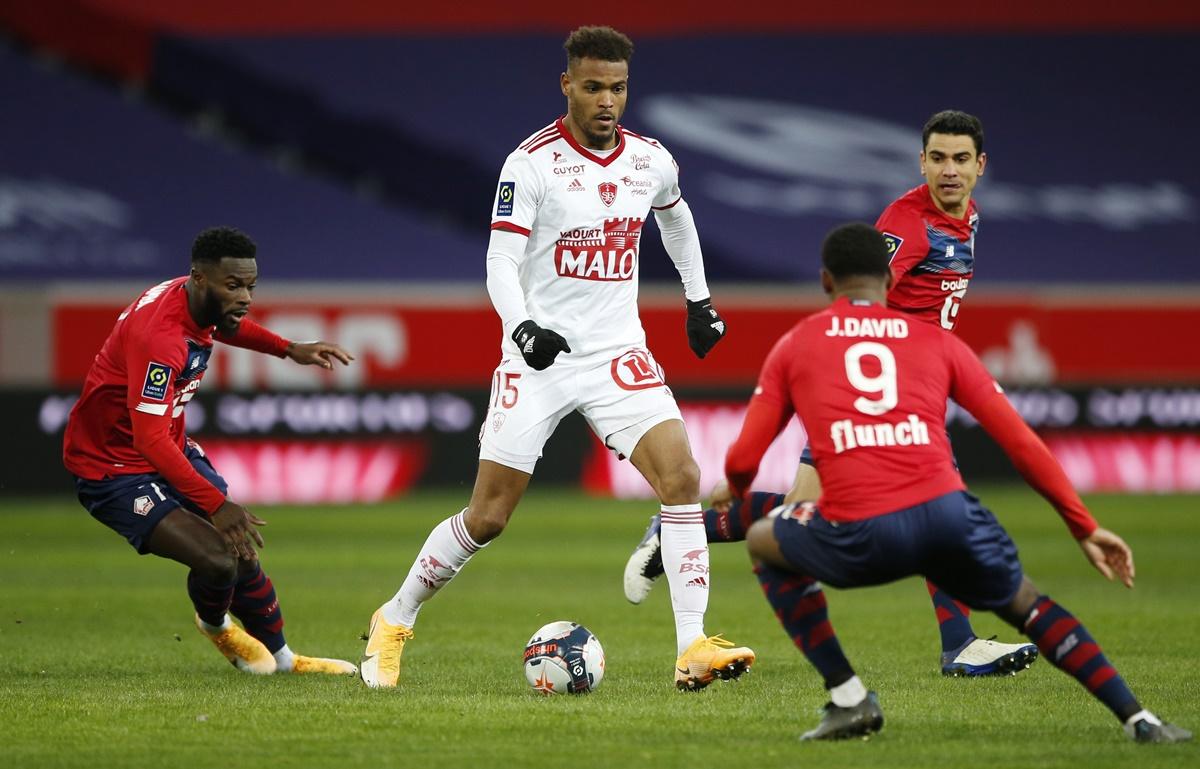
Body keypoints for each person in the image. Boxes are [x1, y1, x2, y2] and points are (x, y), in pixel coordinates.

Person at [360, 25, 754, 691]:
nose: (607, 100)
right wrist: (521, 329)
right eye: (594, 86)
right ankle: (394, 617)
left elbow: (675, 217)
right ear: (567, 84)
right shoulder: (531, 163)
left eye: (619, 88)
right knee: (488, 516)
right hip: (539, 358)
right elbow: (500, 261)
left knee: (683, 477)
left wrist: (699, 299)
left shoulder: (650, 159)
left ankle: (693, 647)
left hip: (617, 351)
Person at [724, 222, 1190, 742]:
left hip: (861, 530)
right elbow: (1020, 443)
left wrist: (734, 484)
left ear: (826, 281)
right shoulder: (935, 341)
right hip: (948, 514)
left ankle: (849, 698)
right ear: (888, 278)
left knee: (767, 542)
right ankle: (1140, 720)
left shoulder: (797, 343)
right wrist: (1083, 527)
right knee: (1028, 604)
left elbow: (745, 458)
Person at [624, 110, 1039, 677]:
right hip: (872, 392)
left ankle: (681, 530)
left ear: (980, 166)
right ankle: (958, 644)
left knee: (812, 514)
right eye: (938, 158)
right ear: (921, 161)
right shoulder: (908, 225)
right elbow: (858, 297)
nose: (949, 170)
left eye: (961, 159)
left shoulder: (967, 217)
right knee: (912, 514)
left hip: (906, 390)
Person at [64, 226, 358, 676]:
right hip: (114, 469)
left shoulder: (193, 299)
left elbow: (225, 326)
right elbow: (147, 439)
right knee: (218, 560)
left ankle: (285, 660)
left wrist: (289, 349)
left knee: (242, 553)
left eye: (250, 286)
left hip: (168, 448)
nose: (245, 297)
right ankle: (216, 625)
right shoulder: (160, 339)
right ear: (200, 279)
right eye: (234, 285)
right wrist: (216, 504)